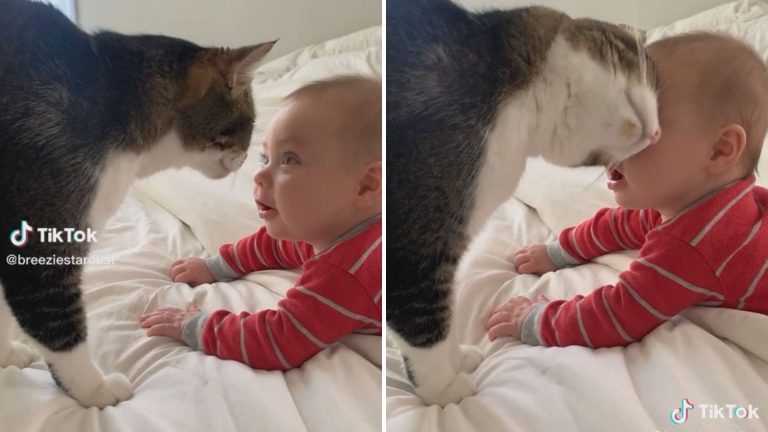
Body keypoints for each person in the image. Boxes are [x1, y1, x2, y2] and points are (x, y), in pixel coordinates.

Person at [486, 33, 768, 348]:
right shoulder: (701, 201)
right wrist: (561, 252)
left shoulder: (690, 249)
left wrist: (533, 319)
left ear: (719, 150)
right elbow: (624, 224)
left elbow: (614, 317)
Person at [140, 75, 382, 370]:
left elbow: (277, 342)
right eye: (265, 157)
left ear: (366, 186)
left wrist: (195, 325)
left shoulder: (345, 275)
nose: (259, 175)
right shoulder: (331, 223)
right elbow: (278, 245)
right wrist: (217, 266)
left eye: (290, 160)